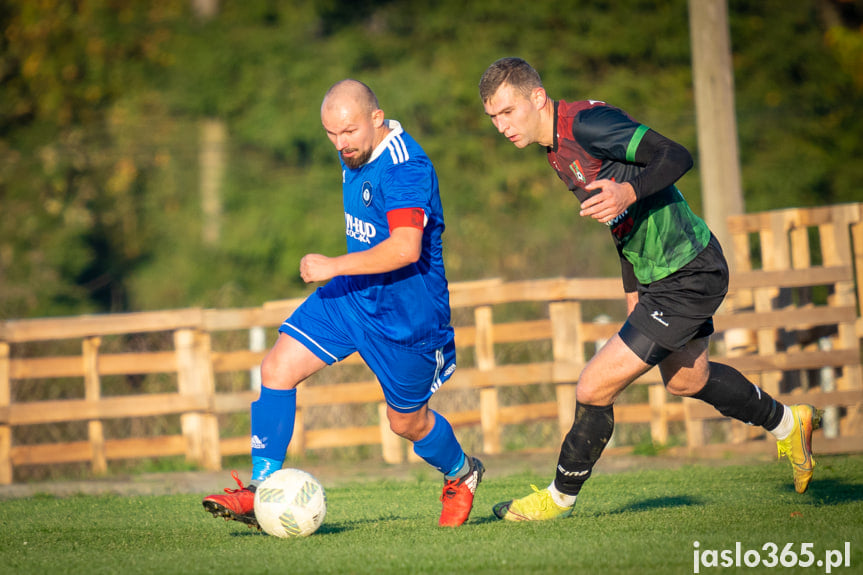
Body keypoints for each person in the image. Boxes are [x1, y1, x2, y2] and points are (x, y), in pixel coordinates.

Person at [478, 57, 821, 522]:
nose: (501, 126)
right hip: (663, 278)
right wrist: (632, 290)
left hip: (689, 271)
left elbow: (676, 155)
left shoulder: (588, 125)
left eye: (508, 112)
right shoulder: (556, 152)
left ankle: (557, 500)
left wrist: (629, 193)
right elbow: (618, 224)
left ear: (537, 98)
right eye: (493, 118)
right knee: (687, 380)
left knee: (593, 385)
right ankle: (788, 422)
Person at [203, 79, 483, 528]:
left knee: (406, 424)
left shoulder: (406, 167)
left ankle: (462, 474)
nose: (340, 144)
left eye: (348, 132)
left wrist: (334, 264)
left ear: (377, 118)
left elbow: (406, 249)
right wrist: (343, 273)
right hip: (352, 298)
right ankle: (260, 491)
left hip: (407, 320)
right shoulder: (352, 149)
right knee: (276, 368)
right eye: (330, 134)